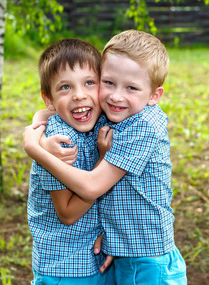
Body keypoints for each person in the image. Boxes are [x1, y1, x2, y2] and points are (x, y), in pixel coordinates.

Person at [23, 30, 187, 284]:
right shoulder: (110, 115)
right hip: (112, 255)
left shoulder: (140, 125)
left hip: (145, 257)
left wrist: (36, 149)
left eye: (131, 87)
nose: (116, 95)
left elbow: (92, 186)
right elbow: (50, 113)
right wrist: (40, 133)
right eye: (108, 83)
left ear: (154, 95)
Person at [27, 38, 114, 285]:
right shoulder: (57, 143)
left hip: (98, 259)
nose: (79, 95)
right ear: (50, 99)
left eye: (89, 83)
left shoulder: (102, 121)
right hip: (64, 266)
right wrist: (103, 160)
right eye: (65, 87)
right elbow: (66, 213)